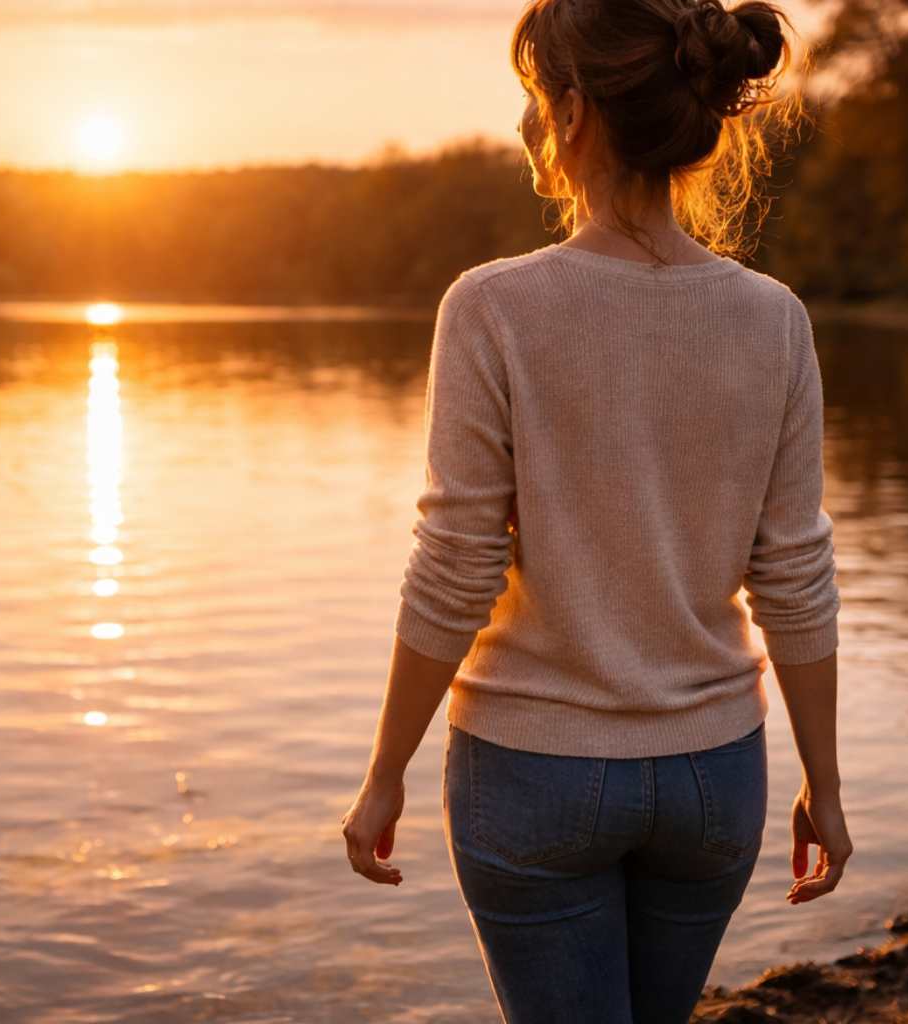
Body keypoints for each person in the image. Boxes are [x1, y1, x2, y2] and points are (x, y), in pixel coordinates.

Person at [338, 0, 854, 1020]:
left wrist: (384, 771)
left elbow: (455, 565)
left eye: (536, 99)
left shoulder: (491, 308)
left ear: (573, 113)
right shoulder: (773, 320)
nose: (529, 123)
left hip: (532, 773)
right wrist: (824, 786)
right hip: (713, 777)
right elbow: (793, 574)